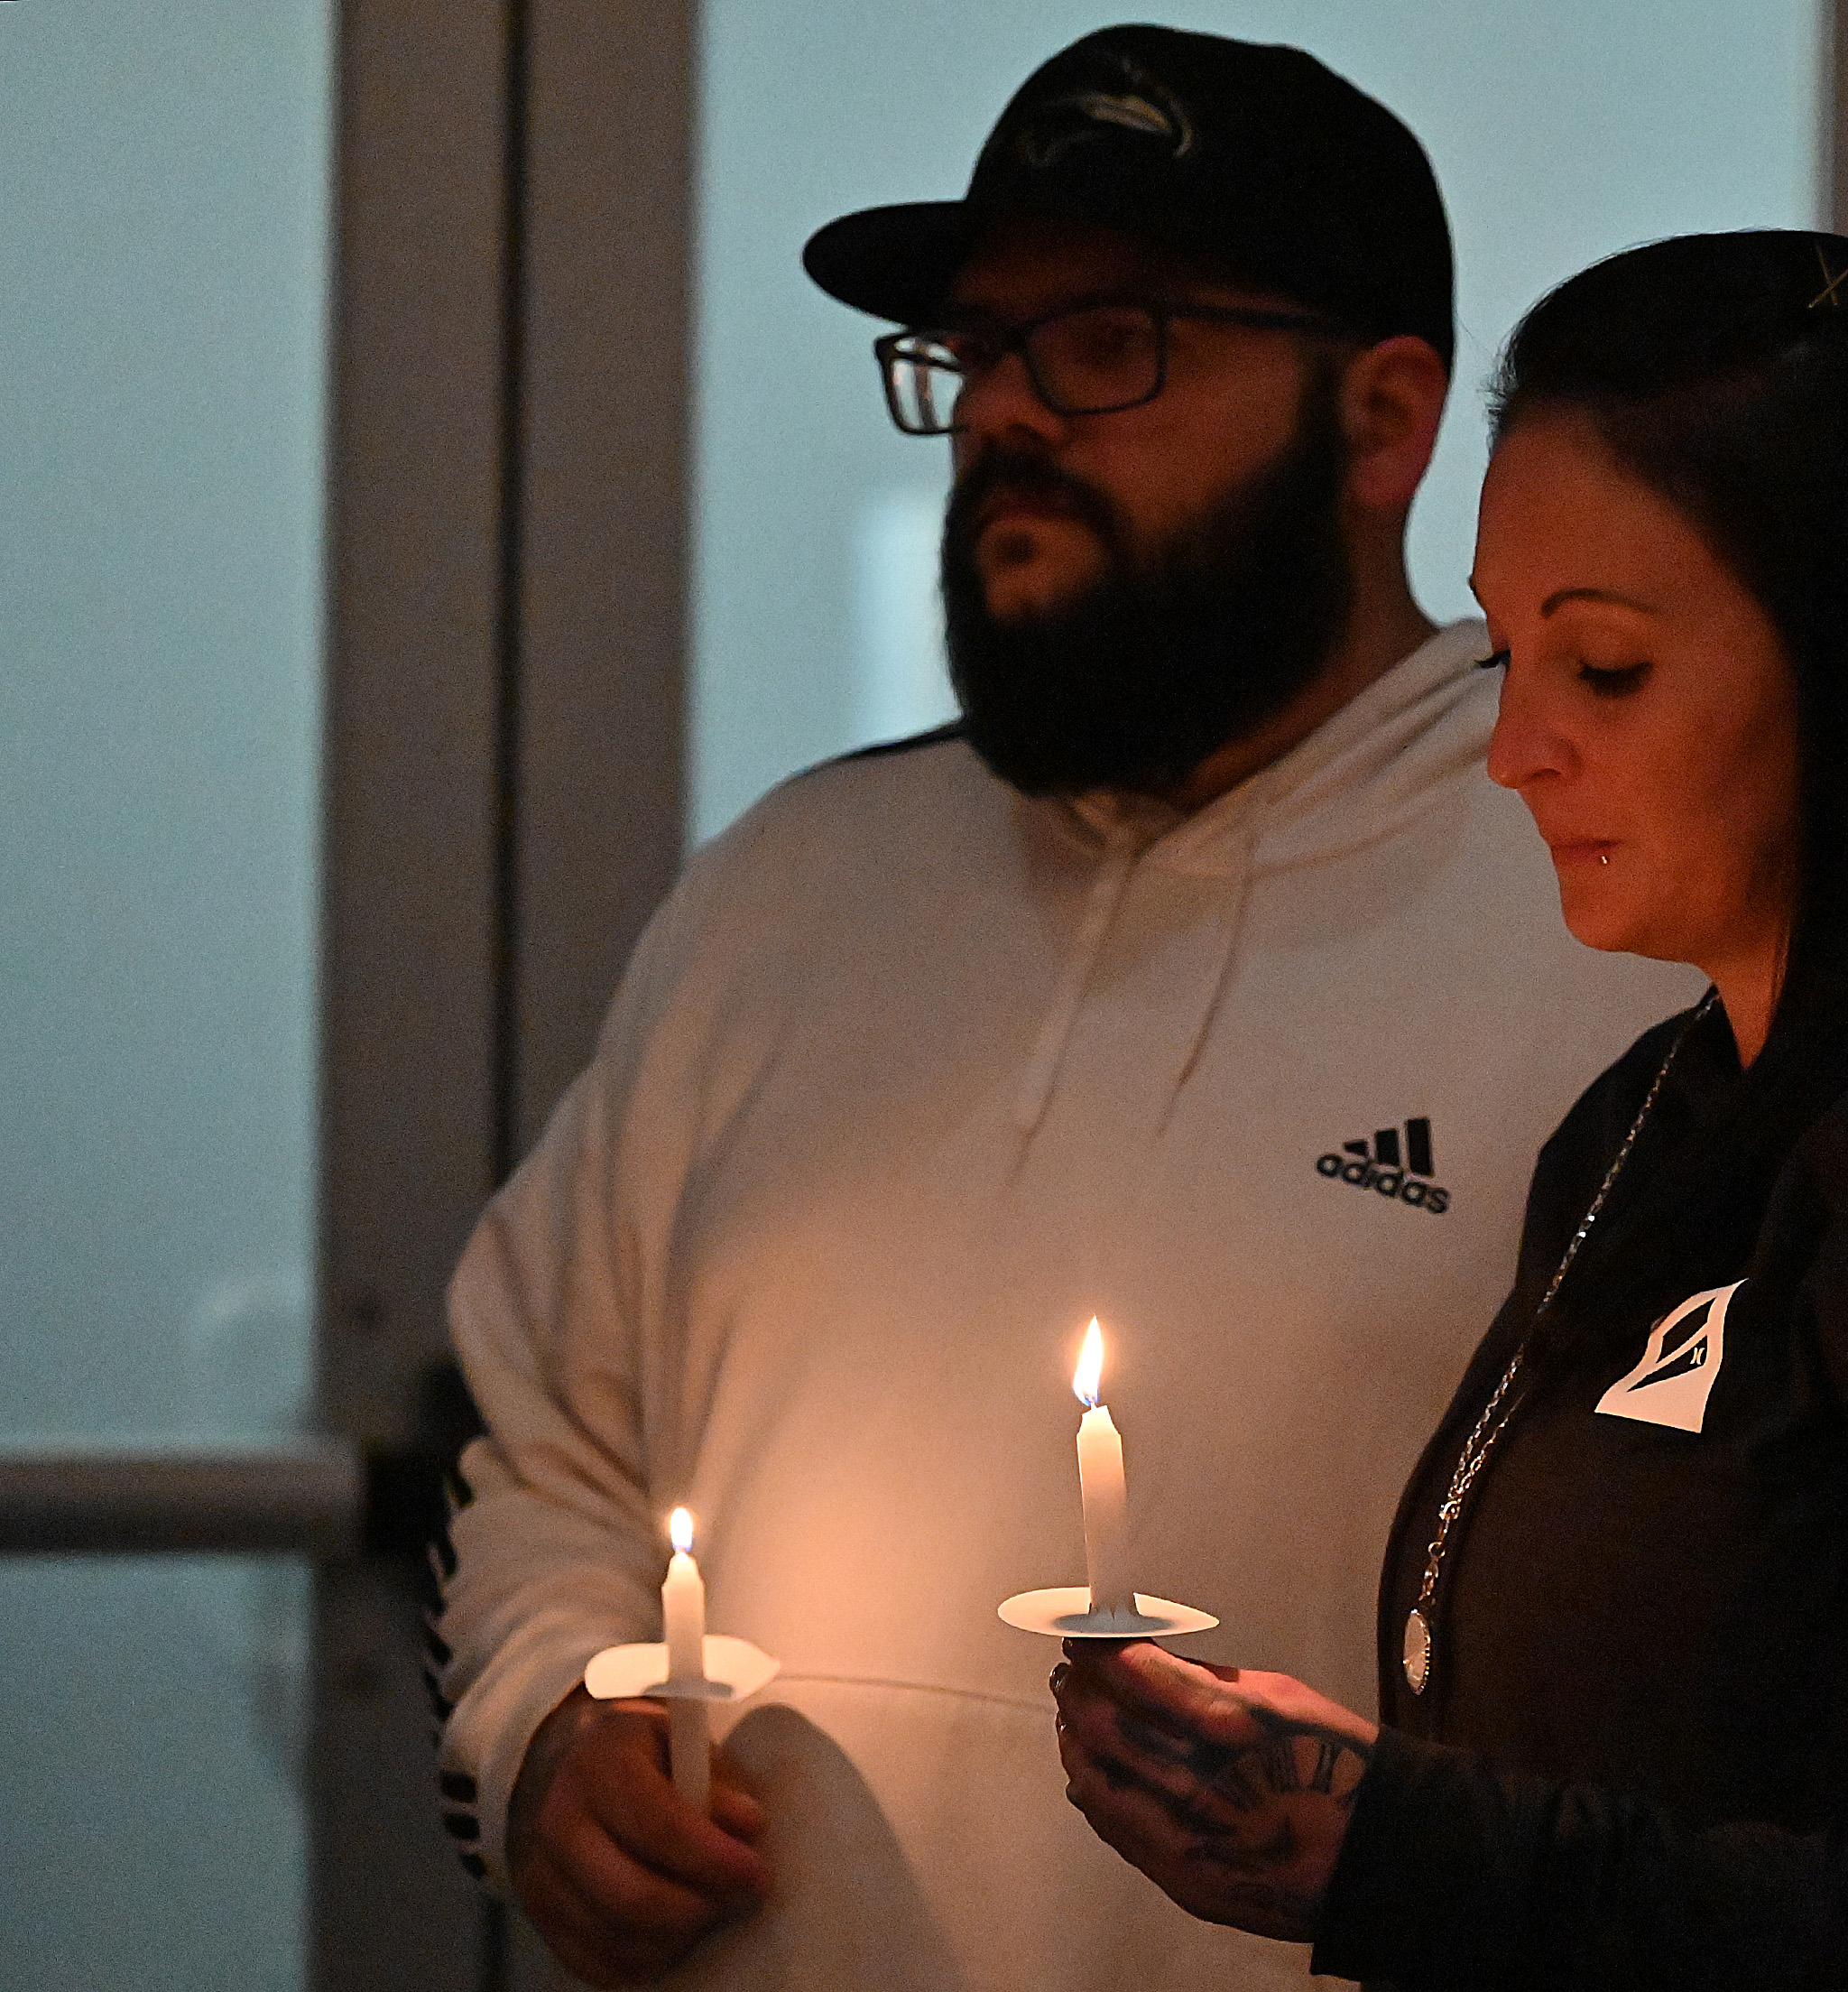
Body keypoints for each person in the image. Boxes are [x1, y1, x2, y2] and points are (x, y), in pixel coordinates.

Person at [431, 26, 1692, 1992]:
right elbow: (549, 1443)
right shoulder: (790, 887)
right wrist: (538, 1728)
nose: (1006, 415)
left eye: (1106, 345)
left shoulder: (1607, 909)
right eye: (977, 350)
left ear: (1381, 424)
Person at [1054, 229, 1848, 1986]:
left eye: (1610, 668)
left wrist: (1398, 1849)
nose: (1519, 754)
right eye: (1508, 659)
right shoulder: (1652, 1117)